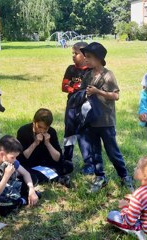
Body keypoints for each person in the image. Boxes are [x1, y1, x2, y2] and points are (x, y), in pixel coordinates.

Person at [80, 42, 134, 193]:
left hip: (105, 121)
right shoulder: (88, 75)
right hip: (91, 120)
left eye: (89, 57)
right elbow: (83, 92)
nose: (86, 60)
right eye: (85, 57)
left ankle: (124, 176)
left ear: (98, 58)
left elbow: (115, 96)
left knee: (112, 151)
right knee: (95, 152)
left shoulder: (108, 75)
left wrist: (98, 91)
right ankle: (100, 177)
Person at [0, 135, 40, 216]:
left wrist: (31, 190)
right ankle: (22, 200)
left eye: (16, 157)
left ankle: (25, 196)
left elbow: (26, 173)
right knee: (1, 208)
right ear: (2, 154)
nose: (15, 160)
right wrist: (6, 175)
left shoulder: (11, 160)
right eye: (13, 157)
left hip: (5, 187)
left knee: (33, 178)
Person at [107, 156, 147, 239]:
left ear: (146, 176)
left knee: (112, 215)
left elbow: (129, 222)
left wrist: (125, 206)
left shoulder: (140, 194)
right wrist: (134, 202)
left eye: (138, 167)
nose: (135, 168)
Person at [17, 108, 74, 187]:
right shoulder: (23, 131)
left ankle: (48, 176)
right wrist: (35, 143)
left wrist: (48, 143)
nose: (42, 131)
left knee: (68, 165)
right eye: (39, 127)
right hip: (29, 164)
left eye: (45, 128)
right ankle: (56, 177)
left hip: (46, 164)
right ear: (34, 122)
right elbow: (21, 158)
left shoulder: (51, 132)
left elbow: (58, 158)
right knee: (26, 173)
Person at [62, 41, 94, 175]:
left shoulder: (91, 71)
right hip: (71, 106)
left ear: (85, 55)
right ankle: (67, 159)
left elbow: (89, 89)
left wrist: (74, 87)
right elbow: (64, 86)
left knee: (84, 134)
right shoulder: (71, 69)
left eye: (76, 53)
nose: (73, 56)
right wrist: (77, 87)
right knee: (69, 132)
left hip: (85, 107)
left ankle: (89, 163)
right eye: (72, 53)